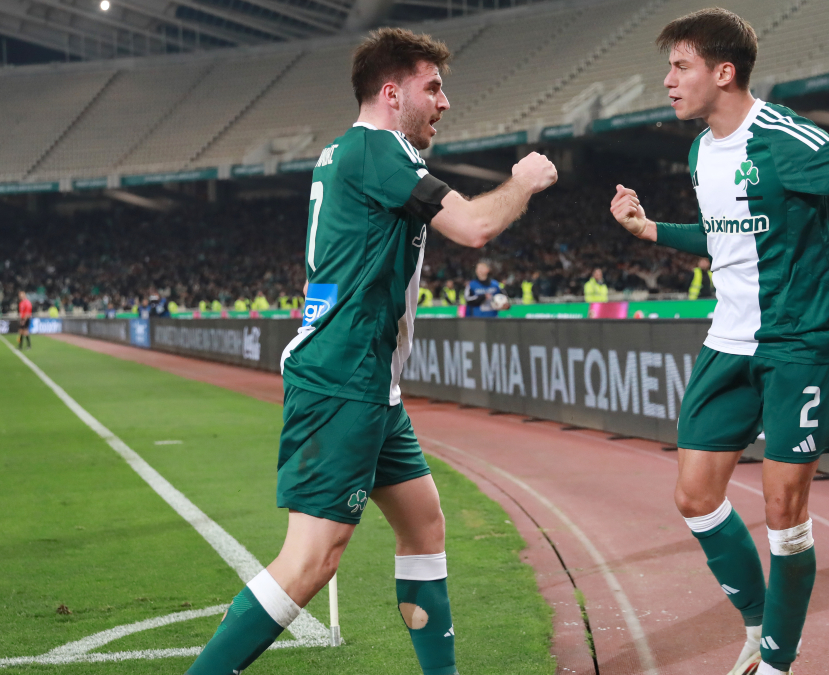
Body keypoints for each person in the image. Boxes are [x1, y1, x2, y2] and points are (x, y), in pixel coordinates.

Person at [185, 27, 557, 675]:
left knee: (424, 525)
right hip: (342, 378)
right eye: (432, 87)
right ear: (391, 93)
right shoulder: (379, 148)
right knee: (312, 559)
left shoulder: (348, 151)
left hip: (370, 384)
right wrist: (522, 181)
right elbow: (474, 226)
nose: (444, 102)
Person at [609, 10, 829, 675]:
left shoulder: (783, 136)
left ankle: (777, 663)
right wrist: (648, 229)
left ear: (724, 72)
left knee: (783, 511)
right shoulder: (699, 151)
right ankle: (758, 626)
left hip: (798, 343)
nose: (667, 81)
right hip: (727, 342)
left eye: (680, 67)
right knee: (694, 497)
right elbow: (723, 235)